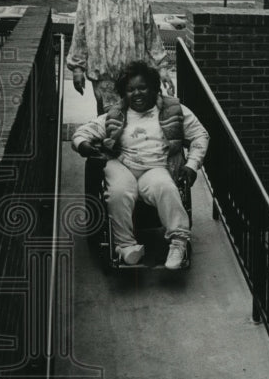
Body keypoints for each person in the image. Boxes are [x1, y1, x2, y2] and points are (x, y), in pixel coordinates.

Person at [72, 60, 209, 270]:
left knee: (165, 188)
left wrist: (191, 165)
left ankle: (178, 242)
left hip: (156, 167)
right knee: (118, 192)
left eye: (142, 88)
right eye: (130, 90)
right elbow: (82, 133)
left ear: (154, 88)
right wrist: (84, 146)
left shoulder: (174, 109)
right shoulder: (116, 113)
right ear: (123, 93)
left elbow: (200, 135)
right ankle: (126, 247)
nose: (136, 94)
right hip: (122, 164)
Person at [66, 0, 173, 113]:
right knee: (111, 127)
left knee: (136, 129)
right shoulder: (88, 0)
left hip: (136, 81)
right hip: (104, 80)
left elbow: (152, 38)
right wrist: (77, 68)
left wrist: (162, 69)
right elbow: (79, 37)